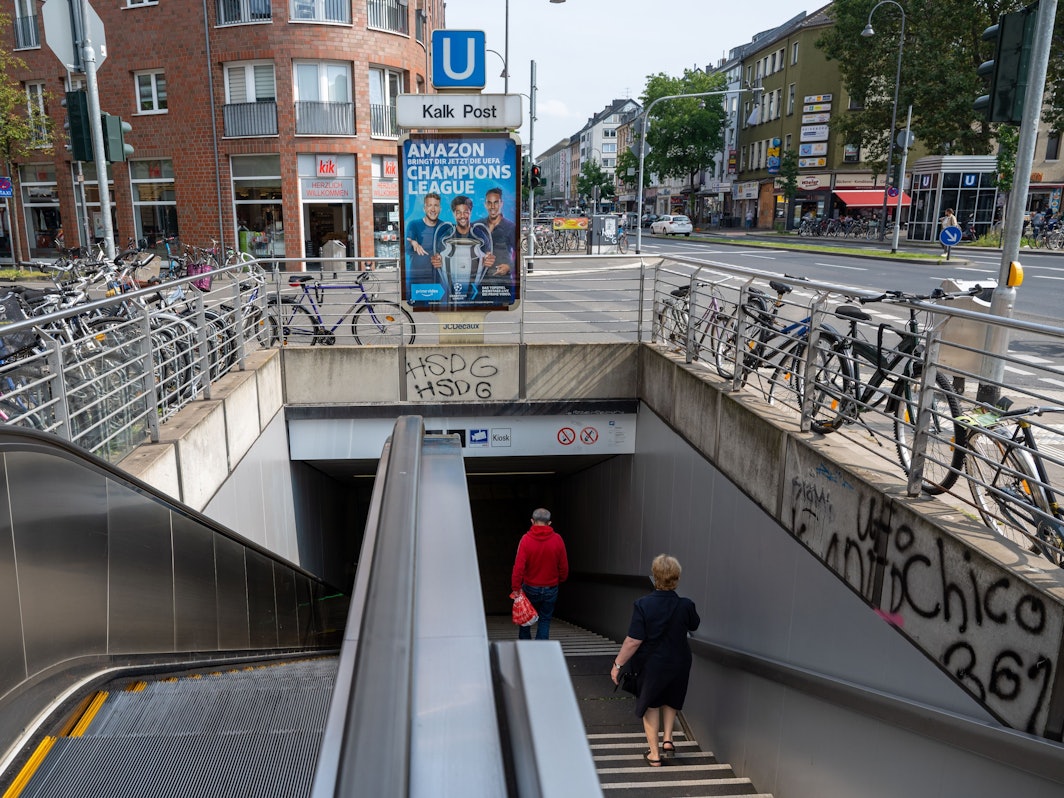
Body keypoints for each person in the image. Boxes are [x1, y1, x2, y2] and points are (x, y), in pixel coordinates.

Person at [610, 554, 700, 767]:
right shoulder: (686, 605)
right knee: (671, 698)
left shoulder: (643, 604)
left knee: (651, 703)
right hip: (679, 661)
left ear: (655, 576)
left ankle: (654, 754)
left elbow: (633, 640)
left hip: (652, 664)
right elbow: (694, 625)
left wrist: (617, 665)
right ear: (676, 578)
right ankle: (668, 739)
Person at [511, 508, 569, 641]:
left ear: (532, 521)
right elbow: (564, 566)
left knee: (525, 619)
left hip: (530, 587)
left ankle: (525, 650)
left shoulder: (526, 540)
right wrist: (560, 579)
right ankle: (540, 652)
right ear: (549, 523)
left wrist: (515, 587)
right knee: (545, 620)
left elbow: (518, 567)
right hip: (551, 587)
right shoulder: (558, 539)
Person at [431, 195, 495, 304]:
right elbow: (437, 257)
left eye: (465, 212)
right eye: (458, 212)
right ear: (453, 214)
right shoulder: (446, 236)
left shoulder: (480, 235)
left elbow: (489, 256)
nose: (462, 216)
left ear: (470, 212)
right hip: (450, 297)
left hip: (476, 295)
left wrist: (490, 260)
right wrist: (436, 260)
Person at [473, 186, 516, 285]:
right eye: (489, 203)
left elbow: (519, 253)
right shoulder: (477, 226)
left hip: (502, 283)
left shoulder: (510, 227)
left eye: (496, 202)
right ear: (485, 205)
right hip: (481, 282)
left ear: (501, 204)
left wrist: (509, 267)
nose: (492, 207)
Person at [405, 192, 442, 300]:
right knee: (416, 310)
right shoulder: (414, 224)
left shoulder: (444, 227)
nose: (433, 209)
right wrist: (413, 242)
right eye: (430, 205)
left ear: (440, 208)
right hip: (417, 281)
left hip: (437, 281)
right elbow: (407, 244)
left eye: (436, 205)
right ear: (424, 208)